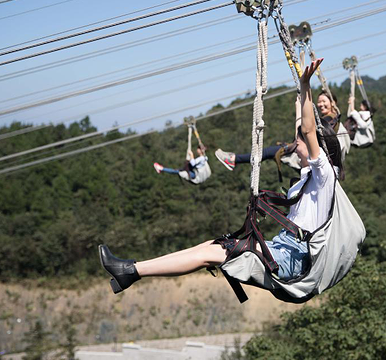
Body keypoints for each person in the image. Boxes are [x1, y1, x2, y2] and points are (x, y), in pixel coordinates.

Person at [99, 58, 344, 293]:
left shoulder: (324, 175)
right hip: (282, 248)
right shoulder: (306, 177)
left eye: (298, 142)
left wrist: (305, 85)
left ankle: (131, 270)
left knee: (211, 253)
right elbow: (303, 126)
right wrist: (299, 99)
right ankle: (131, 271)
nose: (293, 145)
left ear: (318, 150)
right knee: (210, 247)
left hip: (291, 257)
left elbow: (309, 130)